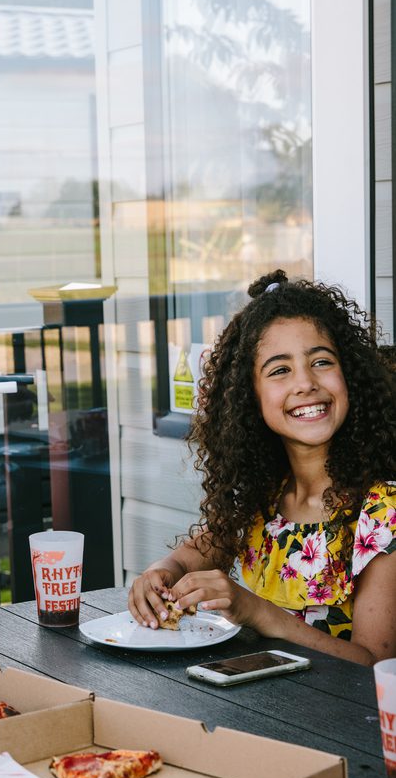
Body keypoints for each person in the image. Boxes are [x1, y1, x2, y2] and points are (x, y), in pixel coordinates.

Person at [129, 270, 396, 665]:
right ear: (250, 399)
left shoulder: (383, 509)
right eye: (279, 370)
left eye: (321, 361)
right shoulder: (264, 498)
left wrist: (257, 612)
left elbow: (376, 663)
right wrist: (158, 575)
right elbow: (187, 559)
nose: (305, 383)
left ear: (351, 376)